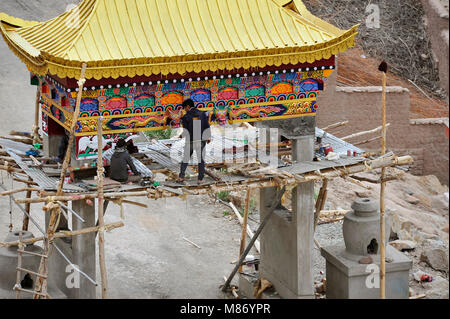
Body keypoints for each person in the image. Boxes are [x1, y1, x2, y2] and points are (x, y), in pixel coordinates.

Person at [178, 99, 211, 184]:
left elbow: (186, 131)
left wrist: (181, 135)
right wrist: (208, 137)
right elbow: (207, 126)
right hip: (201, 140)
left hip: (191, 141)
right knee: (201, 160)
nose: (184, 110)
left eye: (184, 108)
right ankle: (200, 179)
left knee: (186, 158)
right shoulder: (202, 114)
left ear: (188, 106)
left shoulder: (186, 117)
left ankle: (181, 177)